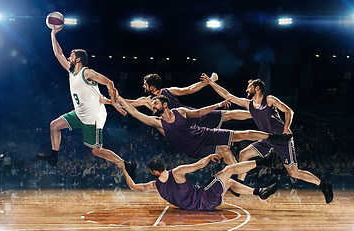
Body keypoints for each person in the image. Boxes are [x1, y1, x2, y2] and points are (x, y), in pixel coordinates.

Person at [201, 74, 334, 204]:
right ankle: (239, 184)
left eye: (249, 87)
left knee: (294, 173)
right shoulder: (249, 104)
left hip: (282, 139)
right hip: (268, 139)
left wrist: (286, 128)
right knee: (244, 154)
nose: (246, 90)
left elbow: (289, 111)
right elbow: (228, 95)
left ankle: (324, 185)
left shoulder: (269, 100)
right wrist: (211, 83)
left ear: (257, 88)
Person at [36, 27, 136, 179]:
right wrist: (53, 33)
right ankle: (53, 156)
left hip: (93, 116)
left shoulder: (86, 72)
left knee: (96, 150)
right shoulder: (71, 71)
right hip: (80, 113)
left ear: (78, 59)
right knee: (54, 126)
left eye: (72, 55)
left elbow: (109, 83)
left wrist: (115, 103)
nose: (69, 56)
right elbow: (58, 53)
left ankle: (126, 164)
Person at [112, 92, 292, 166]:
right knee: (226, 150)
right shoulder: (157, 122)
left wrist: (218, 104)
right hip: (196, 147)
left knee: (241, 134)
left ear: (164, 104)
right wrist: (119, 99)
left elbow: (198, 112)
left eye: (155, 102)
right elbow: (135, 113)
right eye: (152, 103)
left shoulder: (180, 111)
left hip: (205, 134)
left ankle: (273, 137)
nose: (152, 105)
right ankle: (245, 173)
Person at [114, 153, 277, 211]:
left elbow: (133, 186)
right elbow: (199, 165)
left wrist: (123, 169)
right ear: (163, 166)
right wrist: (208, 157)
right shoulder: (176, 172)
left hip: (201, 205)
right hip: (205, 198)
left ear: (152, 172)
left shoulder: (154, 185)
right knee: (227, 171)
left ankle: (259, 192)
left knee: (229, 183)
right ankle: (263, 162)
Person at [101, 73, 252, 129]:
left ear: (152, 87)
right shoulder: (149, 100)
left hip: (189, 115)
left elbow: (190, 89)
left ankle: (254, 113)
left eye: (145, 84)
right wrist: (109, 101)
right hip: (180, 125)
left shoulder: (167, 92)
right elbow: (130, 103)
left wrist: (210, 81)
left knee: (227, 115)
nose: (143, 86)